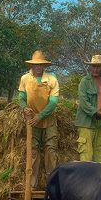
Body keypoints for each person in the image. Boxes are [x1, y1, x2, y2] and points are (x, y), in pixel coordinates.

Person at [17, 50, 60, 188]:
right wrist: (24, 108)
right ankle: (32, 184)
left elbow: (53, 102)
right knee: (33, 150)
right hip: (31, 119)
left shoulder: (52, 79)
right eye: (35, 65)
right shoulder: (25, 78)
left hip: (49, 119)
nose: (38, 67)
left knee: (50, 150)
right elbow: (21, 98)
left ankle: (51, 184)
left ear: (44, 66)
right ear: (32, 65)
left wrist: (40, 116)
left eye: (40, 65)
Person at [75, 54, 101, 162]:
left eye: (98, 67)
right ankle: (85, 179)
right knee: (86, 157)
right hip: (86, 123)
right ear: (90, 67)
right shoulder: (84, 82)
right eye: (94, 66)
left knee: (100, 156)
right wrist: (98, 113)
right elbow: (84, 103)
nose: (95, 69)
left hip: (100, 123)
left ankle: (99, 179)